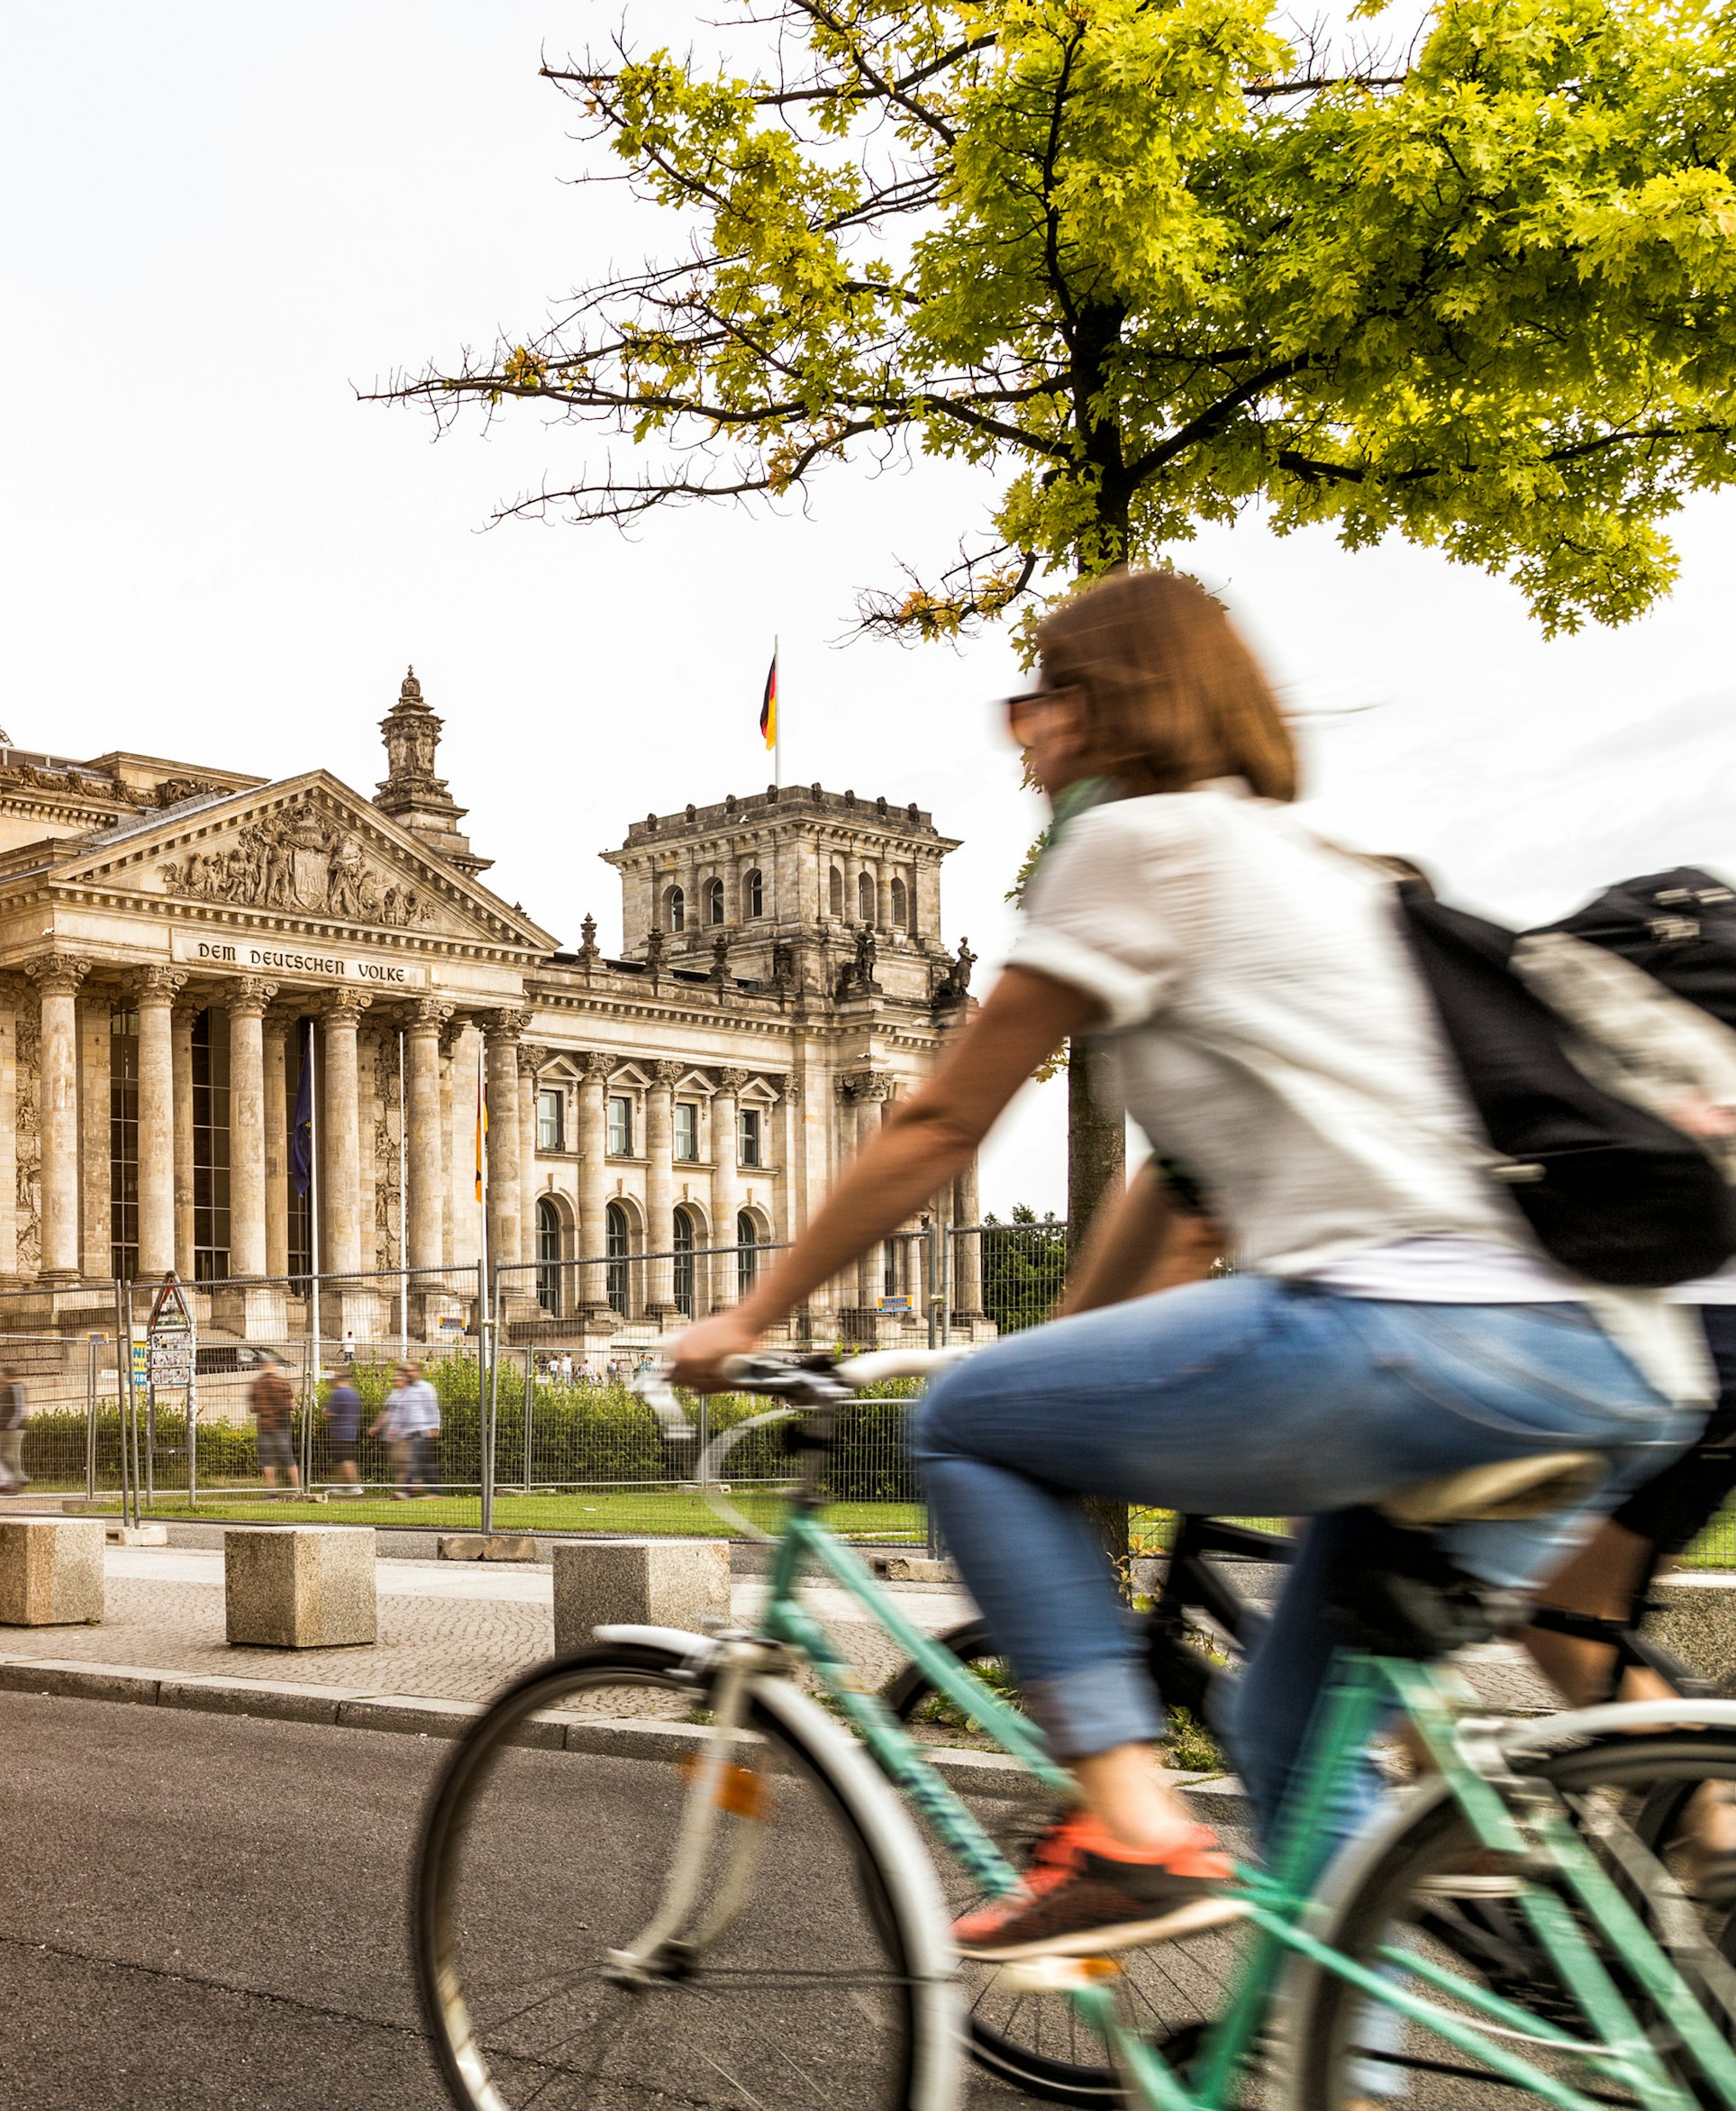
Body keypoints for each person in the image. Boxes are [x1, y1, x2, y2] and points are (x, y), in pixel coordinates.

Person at [666, 569, 1704, 1962]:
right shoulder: (1340, 870)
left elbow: (939, 1117)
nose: (1020, 728)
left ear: (1111, 706)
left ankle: (1129, 1824)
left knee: (966, 1418)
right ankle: (1346, 2059)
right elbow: (1193, 1179)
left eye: (1041, 692)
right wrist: (1087, 1342)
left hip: (1408, 1331)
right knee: (1295, 1737)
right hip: (1613, 1358)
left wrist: (751, 1311)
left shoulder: (1136, 842)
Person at [379, 1362, 439, 1498]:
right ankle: (428, 1491)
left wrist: (435, 1426)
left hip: (422, 1430)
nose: (408, 1373)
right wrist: (395, 1429)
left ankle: (409, 1491)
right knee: (421, 1463)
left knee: (416, 1462)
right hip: (408, 1433)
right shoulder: (407, 1390)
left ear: (418, 1371)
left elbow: (432, 1408)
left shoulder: (426, 1388)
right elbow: (401, 1412)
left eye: (410, 1371)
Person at [248, 1361, 297, 1489]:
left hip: (264, 1425)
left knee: (267, 1460)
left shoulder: (256, 1384)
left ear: (263, 1369)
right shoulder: (282, 1383)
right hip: (281, 1424)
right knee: (288, 1459)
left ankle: (272, 1491)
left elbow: (252, 1408)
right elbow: (292, 1405)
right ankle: (297, 1489)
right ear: (274, 1368)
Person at [321, 1370, 366, 1488]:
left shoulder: (338, 1394)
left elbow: (333, 1412)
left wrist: (325, 1411)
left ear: (337, 1381)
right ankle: (337, 1486)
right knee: (340, 1461)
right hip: (351, 1431)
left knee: (346, 1461)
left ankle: (355, 1487)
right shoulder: (353, 1394)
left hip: (339, 1431)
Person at [0, 1377, 27, 1495]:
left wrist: (11, 1426)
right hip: (2, 1430)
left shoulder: (13, 1390)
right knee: (5, 1456)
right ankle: (11, 1482)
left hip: (8, 1429)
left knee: (6, 1456)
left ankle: (16, 1480)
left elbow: (19, 1410)